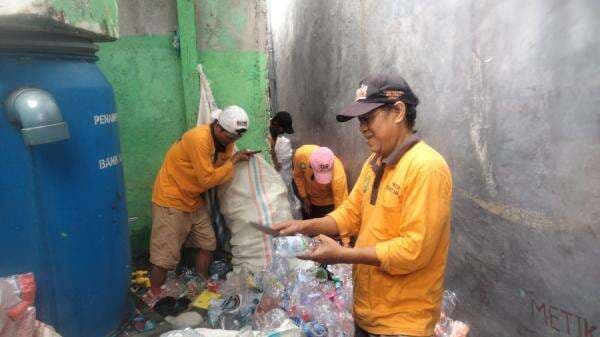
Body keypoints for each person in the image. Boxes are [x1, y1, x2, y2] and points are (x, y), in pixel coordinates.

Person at [274, 73, 453, 337]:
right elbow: (350, 213)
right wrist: (304, 225)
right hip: (368, 316)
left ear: (398, 111)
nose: (362, 128)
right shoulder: (376, 161)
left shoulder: (426, 167)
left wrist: (343, 255)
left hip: (402, 325)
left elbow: (414, 250)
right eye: (360, 120)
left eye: (368, 118)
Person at [148, 105, 256, 299]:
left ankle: (201, 279)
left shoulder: (227, 143)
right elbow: (207, 179)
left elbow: (219, 169)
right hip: (171, 198)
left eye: (236, 139)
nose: (233, 141)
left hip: (192, 198)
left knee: (208, 243)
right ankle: (154, 293)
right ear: (217, 126)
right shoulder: (199, 138)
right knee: (164, 257)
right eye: (230, 137)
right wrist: (234, 161)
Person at [292, 145, 348, 219]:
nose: (322, 182)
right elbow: (298, 176)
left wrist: (336, 220)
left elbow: (341, 205)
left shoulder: (338, 176)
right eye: (320, 174)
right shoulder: (301, 155)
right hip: (309, 197)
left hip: (328, 202)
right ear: (310, 165)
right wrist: (304, 196)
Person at [269, 111, 298, 214]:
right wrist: (276, 163)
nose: (283, 132)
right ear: (276, 124)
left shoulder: (275, 135)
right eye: (283, 129)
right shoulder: (268, 136)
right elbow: (270, 150)